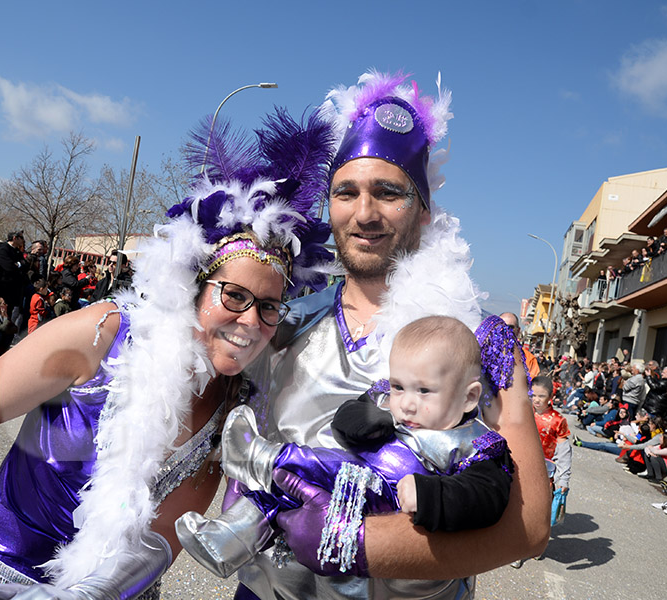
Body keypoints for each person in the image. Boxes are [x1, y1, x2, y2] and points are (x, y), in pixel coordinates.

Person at [0, 109, 336, 600]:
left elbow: (162, 535)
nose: (251, 322)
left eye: (269, 307)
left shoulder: (235, 402)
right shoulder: (103, 332)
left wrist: (88, 594)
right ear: (193, 287)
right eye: (234, 296)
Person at [228, 71, 550, 600]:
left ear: (423, 211)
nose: (364, 213)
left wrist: (356, 542)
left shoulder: (477, 340)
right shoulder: (281, 323)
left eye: (388, 192)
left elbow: (530, 527)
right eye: (346, 192)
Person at [177, 315, 514, 579]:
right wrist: (371, 421)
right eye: (399, 386)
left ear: (469, 397)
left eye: (425, 391)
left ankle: (263, 456)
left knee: (315, 464)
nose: (407, 404)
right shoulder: (389, 403)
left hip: (380, 492)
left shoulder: (474, 443)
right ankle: (229, 539)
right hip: (350, 476)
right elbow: (348, 418)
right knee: (278, 495)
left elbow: (488, 494)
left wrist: (431, 496)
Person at [511, 375, 571, 568]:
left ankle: (536, 544)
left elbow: (564, 452)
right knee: (519, 509)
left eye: (541, 396)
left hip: (545, 473)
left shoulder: (558, 421)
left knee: (538, 512)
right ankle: (518, 549)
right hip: (520, 467)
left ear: (550, 397)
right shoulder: (522, 412)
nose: (536, 399)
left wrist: (563, 479)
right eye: (533, 394)